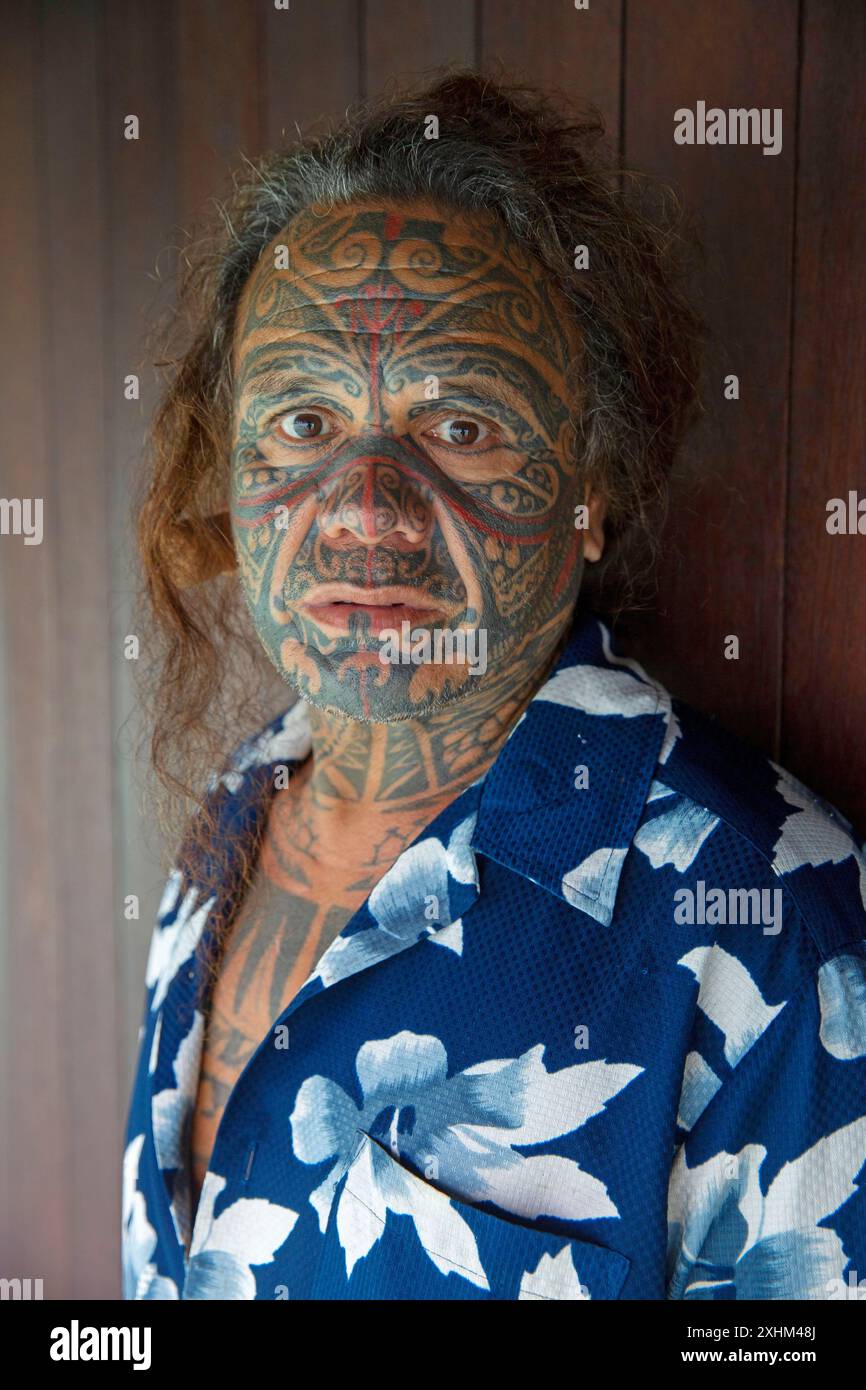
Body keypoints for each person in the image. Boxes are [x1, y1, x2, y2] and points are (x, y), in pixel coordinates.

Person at [122, 71, 866, 1301]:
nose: (362, 503)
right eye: (302, 422)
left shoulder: (780, 937)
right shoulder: (236, 809)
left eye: (459, 425)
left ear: (592, 489)